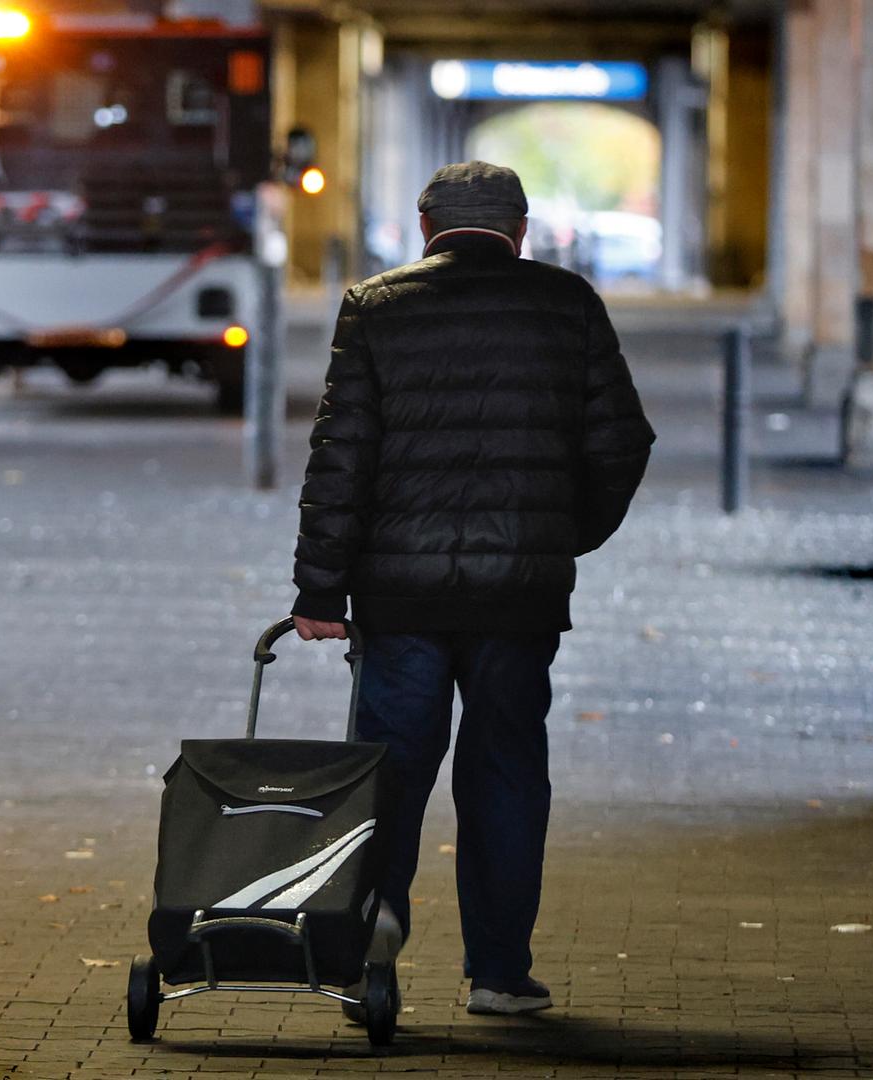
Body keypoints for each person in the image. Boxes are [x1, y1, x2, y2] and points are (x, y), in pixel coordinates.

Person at [289, 162, 654, 1017]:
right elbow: (621, 442)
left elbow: (341, 457)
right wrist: (558, 533)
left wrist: (320, 590)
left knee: (390, 769)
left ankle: (372, 930)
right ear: (520, 231)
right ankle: (498, 973)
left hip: (399, 596)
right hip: (517, 595)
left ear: (425, 228)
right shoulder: (568, 304)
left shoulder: (375, 306)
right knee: (506, 773)